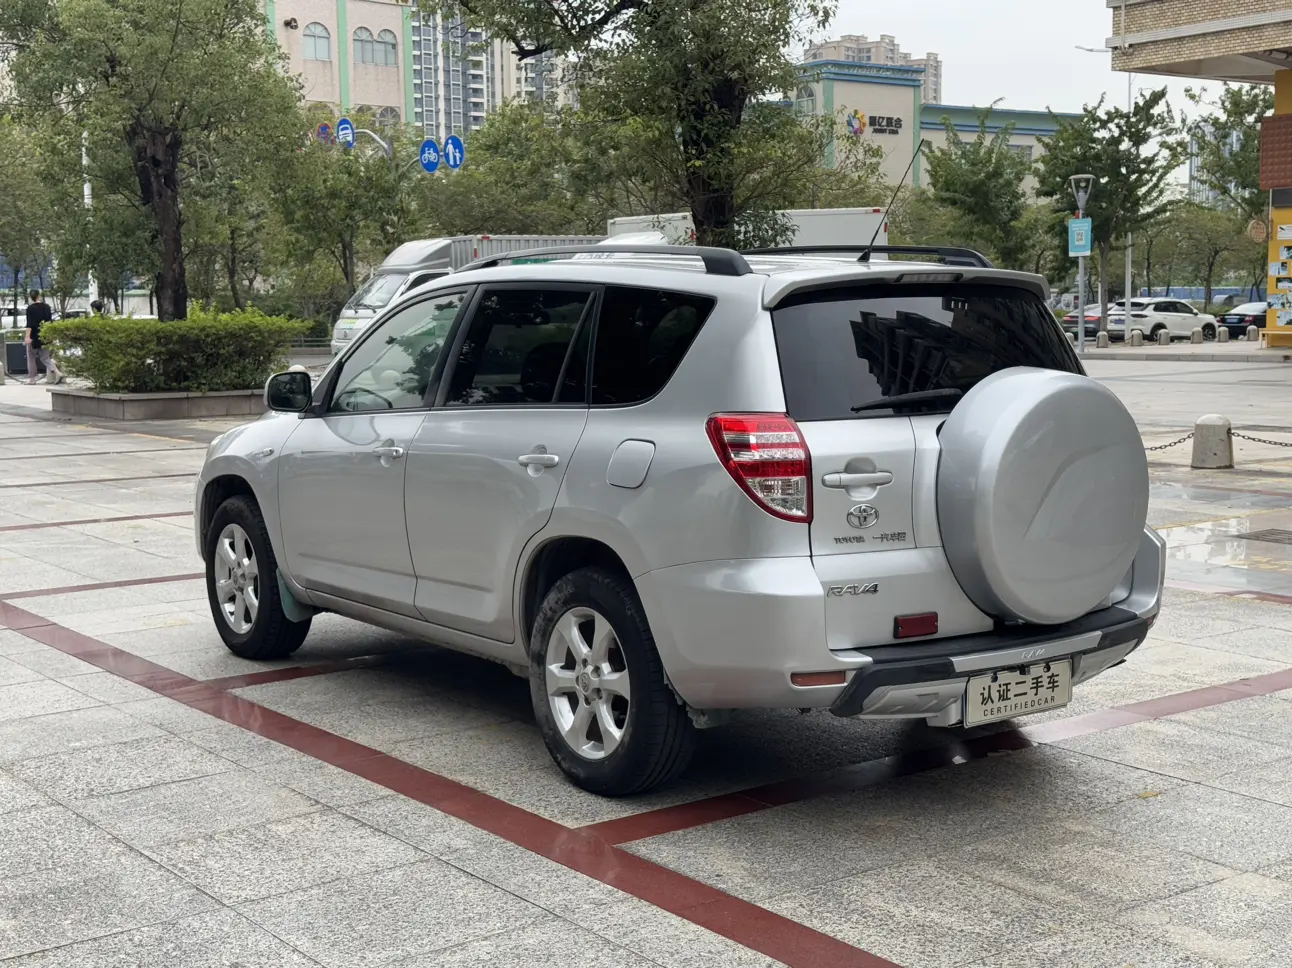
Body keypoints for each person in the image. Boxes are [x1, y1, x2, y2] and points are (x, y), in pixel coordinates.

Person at [23, 290, 63, 386]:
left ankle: (32, 379)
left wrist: (27, 337)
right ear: (39, 296)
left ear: (31, 297)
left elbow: (29, 324)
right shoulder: (47, 307)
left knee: (31, 357)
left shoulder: (30, 308)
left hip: (33, 336)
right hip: (45, 335)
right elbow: (50, 322)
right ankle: (58, 373)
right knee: (45, 357)